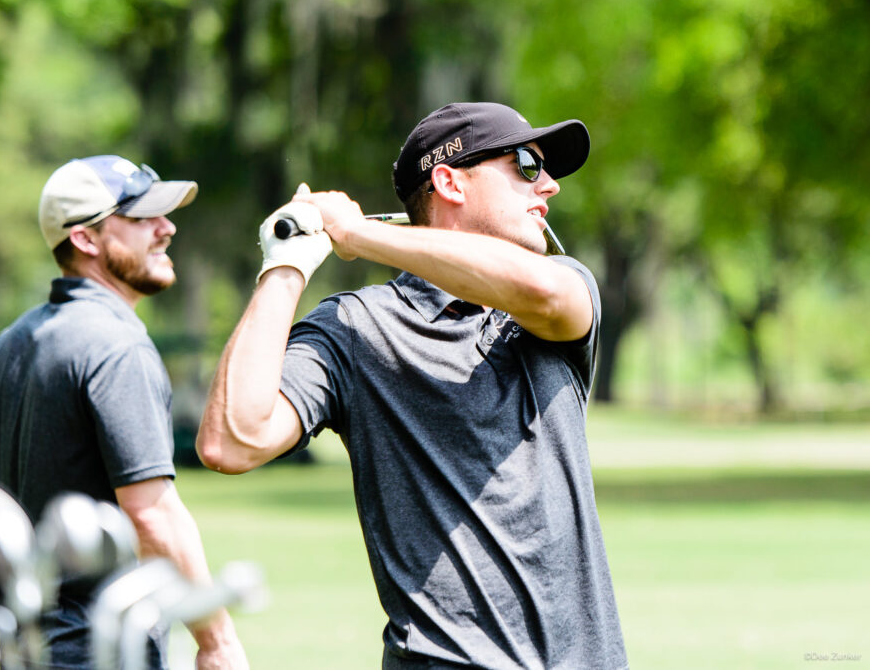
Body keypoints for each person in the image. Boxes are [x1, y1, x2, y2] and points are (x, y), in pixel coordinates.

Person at [197, 102, 627, 669]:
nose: (548, 185)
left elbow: (542, 295)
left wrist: (354, 235)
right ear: (449, 181)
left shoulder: (560, 289)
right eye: (525, 164)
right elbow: (233, 439)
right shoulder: (354, 327)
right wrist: (285, 268)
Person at [0, 155, 248, 669]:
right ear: (85, 240)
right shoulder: (118, 347)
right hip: (102, 647)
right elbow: (152, 515)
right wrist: (217, 643)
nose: (167, 229)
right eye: (142, 218)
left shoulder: (11, 342)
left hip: (24, 648)